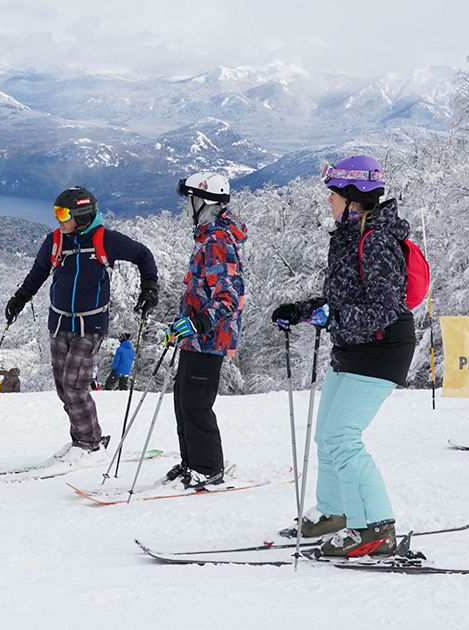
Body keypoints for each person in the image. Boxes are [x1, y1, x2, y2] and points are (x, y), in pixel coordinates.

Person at [271, 155, 415, 557]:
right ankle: (334, 513)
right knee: (326, 435)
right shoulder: (351, 235)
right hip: (352, 346)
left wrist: (334, 315)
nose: (329, 203)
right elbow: (347, 298)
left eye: (333, 195)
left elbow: (386, 307)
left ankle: (373, 526)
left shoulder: (378, 240)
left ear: (353, 197)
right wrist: (302, 311)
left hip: (382, 348)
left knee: (342, 437)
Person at [4, 186, 158, 460]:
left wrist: (149, 288)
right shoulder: (56, 241)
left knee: (76, 386)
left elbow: (143, 255)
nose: (58, 219)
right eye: (56, 213)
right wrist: (19, 299)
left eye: (62, 213)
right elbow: (38, 272)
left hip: (90, 325)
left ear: (82, 214)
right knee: (64, 389)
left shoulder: (105, 240)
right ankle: (82, 440)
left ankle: (89, 445)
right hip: (59, 322)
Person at [160, 172, 247, 489]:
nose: (187, 208)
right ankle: (191, 462)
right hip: (196, 338)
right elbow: (200, 291)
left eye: (191, 201)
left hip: (210, 339)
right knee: (183, 400)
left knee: (196, 404)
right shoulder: (207, 240)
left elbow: (228, 297)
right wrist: (183, 324)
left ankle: (209, 468)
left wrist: (197, 323)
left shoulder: (218, 244)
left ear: (205, 203)